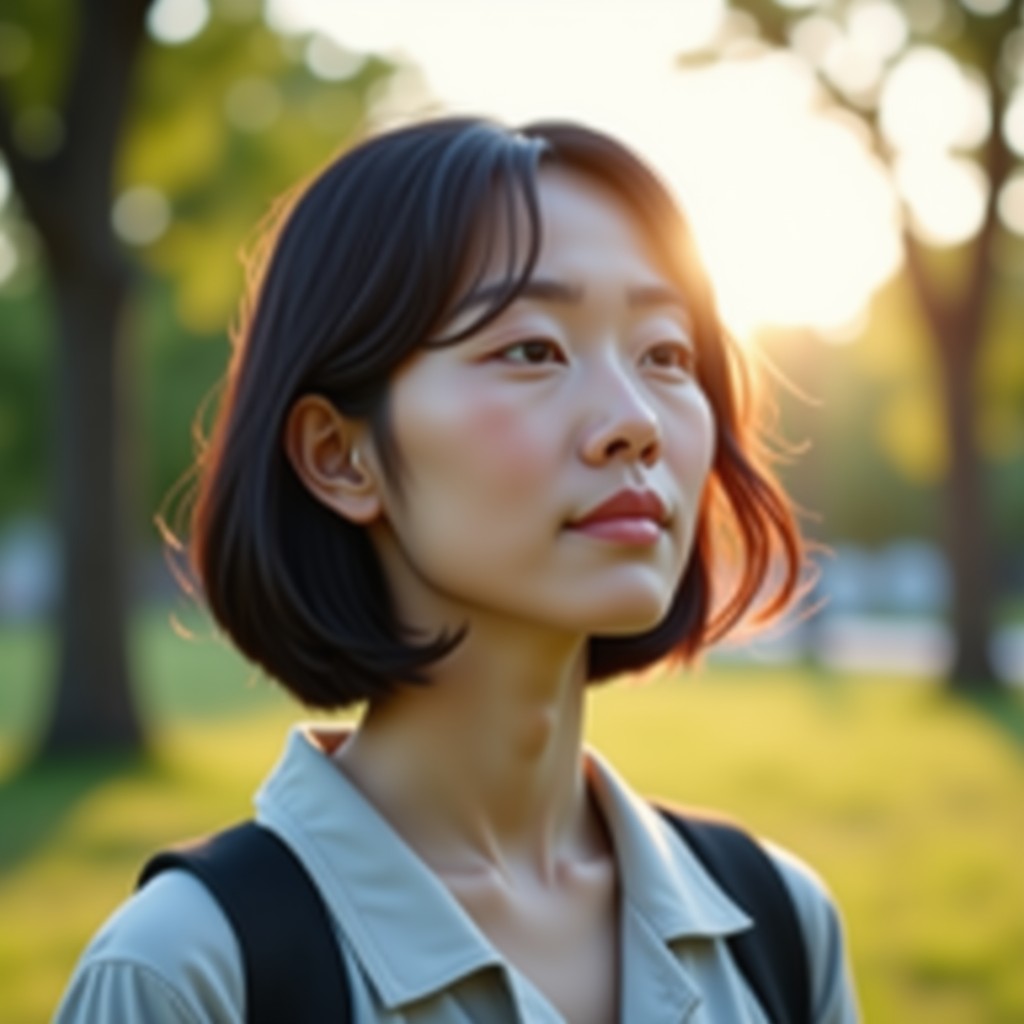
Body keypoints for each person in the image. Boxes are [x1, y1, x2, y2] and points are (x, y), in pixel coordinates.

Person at [54, 116, 859, 1023]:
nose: (634, 420)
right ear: (338, 457)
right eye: (531, 350)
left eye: (665, 355)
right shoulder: (186, 974)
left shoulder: (783, 926)